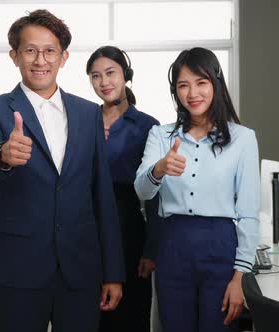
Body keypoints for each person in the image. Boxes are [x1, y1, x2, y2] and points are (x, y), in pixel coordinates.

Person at [0, 9, 125, 332]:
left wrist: (113, 271)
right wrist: (4, 153)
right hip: (20, 268)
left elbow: (102, 197)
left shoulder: (88, 114)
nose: (40, 60)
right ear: (14, 56)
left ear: (64, 56)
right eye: (30, 50)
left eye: (50, 50)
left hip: (81, 268)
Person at [134, 47, 260, 332]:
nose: (193, 93)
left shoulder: (242, 139)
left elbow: (249, 212)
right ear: (175, 91)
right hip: (172, 247)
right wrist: (160, 168)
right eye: (183, 85)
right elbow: (142, 191)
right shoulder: (161, 136)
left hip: (221, 246)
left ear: (215, 84)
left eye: (201, 83)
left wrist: (240, 278)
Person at [86, 46, 161, 332]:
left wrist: (151, 248)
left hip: (129, 229)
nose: (103, 82)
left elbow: (156, 195)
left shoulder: (147, 127)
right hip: (87, 231)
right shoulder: (83, 121)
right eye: (95, 76)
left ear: (126, 76)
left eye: (110, 73)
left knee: (130, 316)